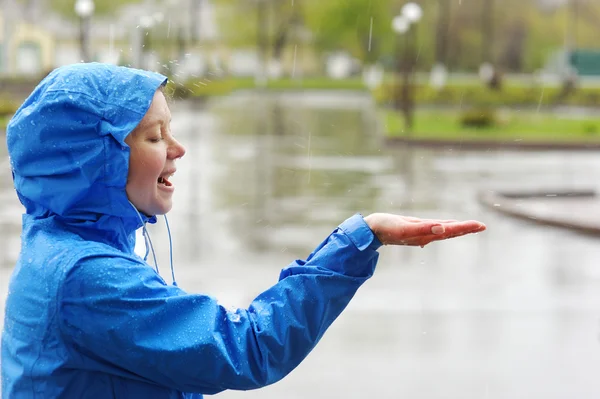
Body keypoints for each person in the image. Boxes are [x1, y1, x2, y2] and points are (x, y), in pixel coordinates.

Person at [1, 63, 486, 398]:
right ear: (97, 159)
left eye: (170, 130)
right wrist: (361, 238)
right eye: (154, 136)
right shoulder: (88, 277)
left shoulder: (62, 244)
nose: (178, 149)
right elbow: (245, 348)